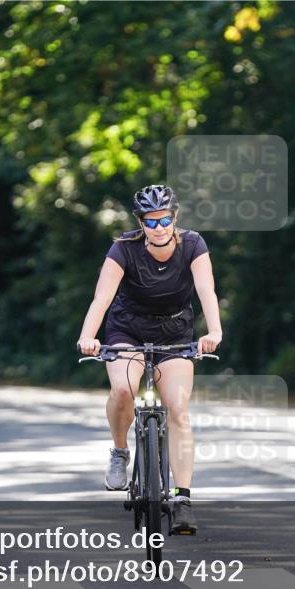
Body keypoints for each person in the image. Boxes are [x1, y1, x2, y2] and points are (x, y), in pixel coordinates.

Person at [77, 184, 222, 535]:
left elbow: (206, 290)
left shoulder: (193, 245)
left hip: (174, 332)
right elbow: (102, 298)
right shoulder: (122, 249)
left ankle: (183, 500)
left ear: (175, 218)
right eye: (151, 221)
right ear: (140, 223)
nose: (159, 227)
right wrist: (88, 336)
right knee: (123, 391)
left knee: (178, 408)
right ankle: (120, 451)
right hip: (127, 330)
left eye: (165, 219)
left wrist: (213, 332)